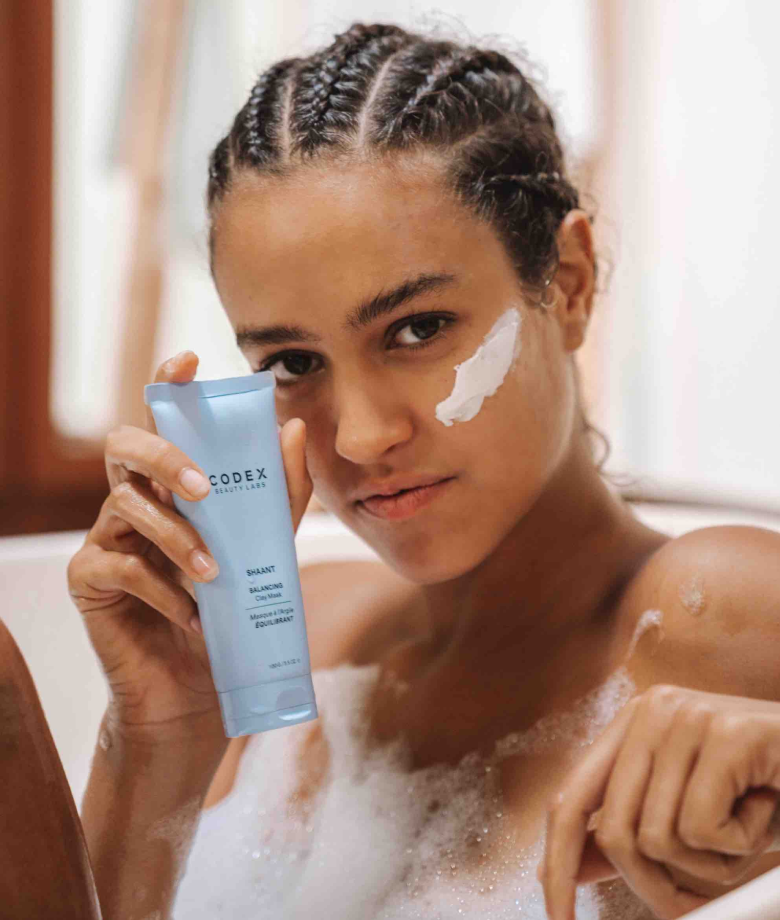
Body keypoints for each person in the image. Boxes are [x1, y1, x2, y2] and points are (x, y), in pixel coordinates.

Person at [68, 21, 780, 920]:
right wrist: (153, 739)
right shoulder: (305, 641)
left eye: (417, 329)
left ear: (567, 283)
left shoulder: (715, 614)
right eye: (292, 362)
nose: (360, 438)